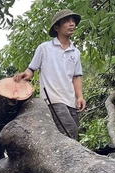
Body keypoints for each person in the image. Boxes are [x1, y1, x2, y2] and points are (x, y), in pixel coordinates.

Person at [14, 9, 86, 140]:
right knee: (69, 131)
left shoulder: (75, 52)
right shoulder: (44, 48)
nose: (72, 24)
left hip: (71, 101)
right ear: (57, 27)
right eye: (67, 21)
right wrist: (25, 75)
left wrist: (80, 97)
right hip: (53, 99)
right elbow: (31, 69)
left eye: (73, 21)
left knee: (72, 136)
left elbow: (76, 76)